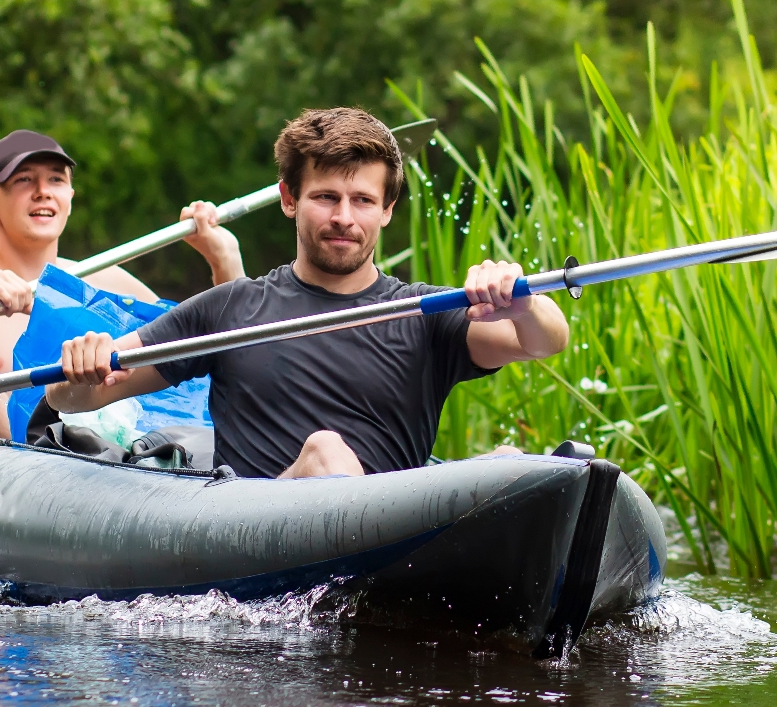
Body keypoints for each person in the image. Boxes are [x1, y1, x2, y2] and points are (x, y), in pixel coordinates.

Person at [43, 108, 569, 478]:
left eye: (363, 200)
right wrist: (78, 373)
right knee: (325, 453)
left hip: (399, 531)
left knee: (512, 462)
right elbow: (79, 397)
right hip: (264, 532)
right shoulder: (232, 307)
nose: (344, 217)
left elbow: (546, 341)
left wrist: (523, 301)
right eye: (326, 197)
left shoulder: (426, 312)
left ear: (386, 211)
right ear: (289, 200)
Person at [0, 129, 245, 441]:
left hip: (64, 478)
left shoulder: (104, 283)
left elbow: (214, 347)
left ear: (69, 198)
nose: (42, 191)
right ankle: (14, 474)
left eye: (55, 180)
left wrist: (223, 260)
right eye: (23, 180)